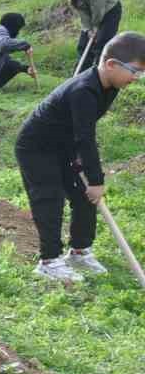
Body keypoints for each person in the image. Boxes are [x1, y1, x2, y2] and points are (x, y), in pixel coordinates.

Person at [15, 32, 144, 282]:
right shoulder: (84, 90)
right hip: (37, 147)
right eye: (135, 71)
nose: (136, 78)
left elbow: (80, 132)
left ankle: (79, 251)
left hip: (64, 145)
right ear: (111, 64)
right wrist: (96, 179)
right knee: (49, 198)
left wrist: (85, 172)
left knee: (84, 197)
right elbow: (85, 137)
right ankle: (49, 261)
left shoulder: (111, 86)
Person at [66, 0, 123, 73]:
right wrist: (88, 28)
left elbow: (98, 7)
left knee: (101, 44)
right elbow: (82, 9)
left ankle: (98, 74)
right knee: (83, 44)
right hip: (94, 12)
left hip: (109, 11)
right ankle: (80, 75)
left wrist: (95, 26)